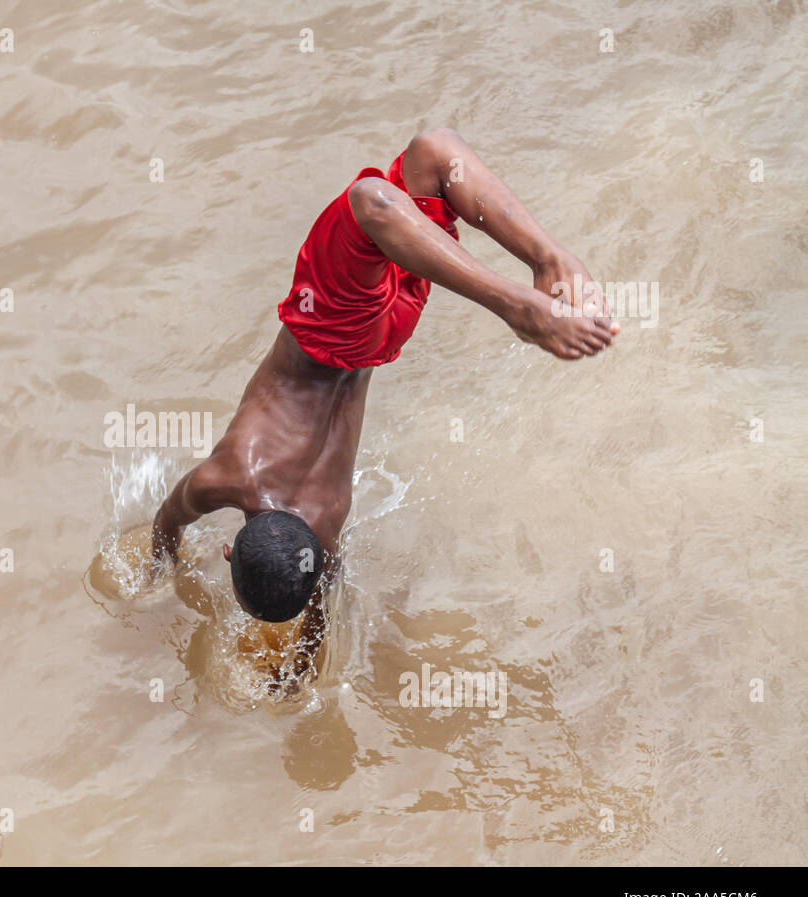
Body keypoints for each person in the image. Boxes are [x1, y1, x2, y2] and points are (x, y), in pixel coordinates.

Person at [150, 128, 619, 684]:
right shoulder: (221, 479)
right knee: (405, 176)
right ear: (229, 551)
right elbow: (168, 521)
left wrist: (293, 676)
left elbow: (319, 620)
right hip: (332, 329)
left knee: (420, 173)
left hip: (385, 336)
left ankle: (539, 278)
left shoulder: (324, 534)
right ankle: (532, 285)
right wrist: (161, 561)